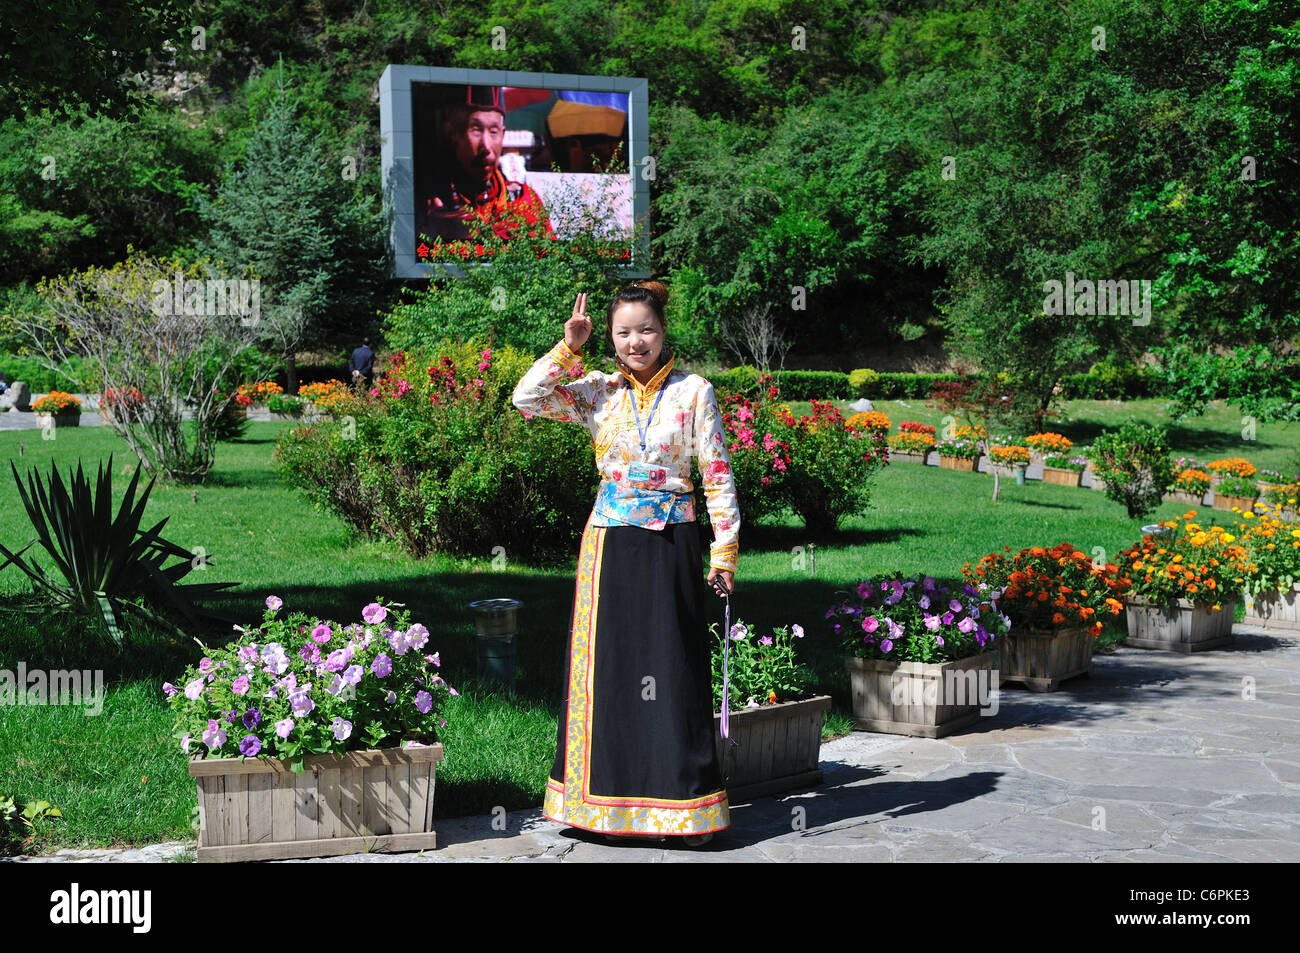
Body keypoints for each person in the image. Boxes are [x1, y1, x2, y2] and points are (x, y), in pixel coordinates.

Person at [511, 280, 740, 847]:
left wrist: (724, 548)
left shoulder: (695, 392)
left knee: (675, 667)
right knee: (608, 672)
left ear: (664, 332)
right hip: (610, 543)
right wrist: (570, 346)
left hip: (672, 544)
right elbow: (526, 398)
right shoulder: (595, 391)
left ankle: (686, 811)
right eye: (623, 333)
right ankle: (603, 809)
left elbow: (715, 472)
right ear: (610, 338)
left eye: (646, 330)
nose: (636, 342)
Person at [417, 85, 557, 256]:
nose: (487, 146)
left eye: (494, 131)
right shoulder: (431, 203)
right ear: (452, 134)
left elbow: (550, 260)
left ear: (503, 134)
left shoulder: (522, 199)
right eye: (475, 130)